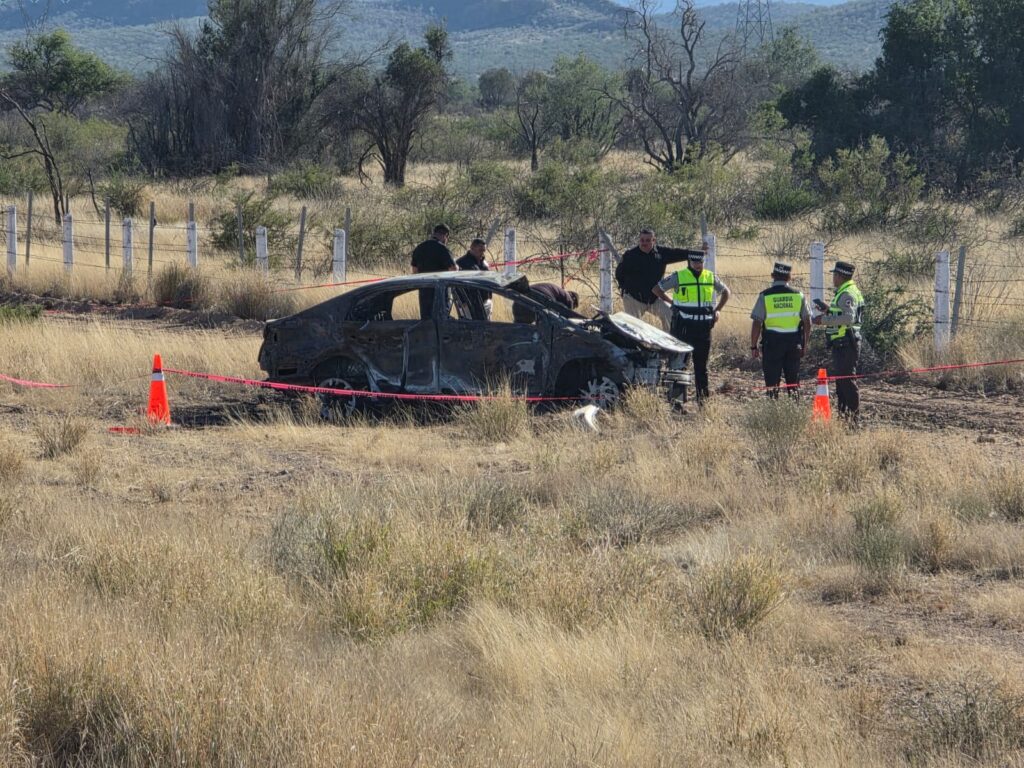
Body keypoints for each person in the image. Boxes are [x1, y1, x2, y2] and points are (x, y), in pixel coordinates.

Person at [652, 249, 730, 402]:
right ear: (689, 262)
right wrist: (672, 303)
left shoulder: (709, 276)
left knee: (701, 367)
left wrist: (718, 310)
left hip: (703, 327)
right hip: (683, 326)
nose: (697, 265)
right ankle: (677, 402)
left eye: (700, 262)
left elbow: (726, 292)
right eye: (694, 262)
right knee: (679, 364)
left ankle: (703, 401)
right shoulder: (679, 276)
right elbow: (657, 289)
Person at [614, 228, 707, 331]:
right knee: (632, 329)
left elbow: (679, 253)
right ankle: (630, 347)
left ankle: (668, 345)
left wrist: (699, 253)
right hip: (634, 299)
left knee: (670, 316)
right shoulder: (630, 255)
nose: (644, 243)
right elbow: (619, 274)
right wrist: (624, 291)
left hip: (655, 298)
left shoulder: (662, 253)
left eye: (648, 240)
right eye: (642, 240)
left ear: (654, 240)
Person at [813, 260, 865, 420]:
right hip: (842, 343)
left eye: (834, 275)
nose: (833, 278)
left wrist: (824, 320)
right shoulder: (846, 291)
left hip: (846, 343)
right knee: (842, 383)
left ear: (840, 276)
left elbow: (848, 318)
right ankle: (844, 418)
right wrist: (829, 310)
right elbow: (843, 313)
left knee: (847, 381)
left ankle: (853, 420)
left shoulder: (847, 293)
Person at [749, 262, 811, 397]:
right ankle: (794, 411)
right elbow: (807, 321)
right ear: (789, 278)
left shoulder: (765, 296)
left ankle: (773, 411)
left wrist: (753, 346)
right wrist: (805, 345)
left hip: (772, 344)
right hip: (794, 343)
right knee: (793, 383)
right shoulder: (798, 295)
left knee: (772, 384)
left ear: (772, 276)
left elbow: (757, 323)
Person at [410, 223, 457, 319]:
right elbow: (453, 269)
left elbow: (414, 271)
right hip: (441, 291)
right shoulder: (442, 248)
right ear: (445, 236)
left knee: (426, 320)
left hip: (424, 290)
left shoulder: (419, 248)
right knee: (442, 319)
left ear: (434, 233)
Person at [455, 238, 492, 319]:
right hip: (469, 304)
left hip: (485, 302)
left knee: (487, 329)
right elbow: (456, 284)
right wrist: (463, 302)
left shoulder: (484, 263)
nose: (482, 253)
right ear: (472, 248)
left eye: (484, 250)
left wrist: (489, 297)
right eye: (480, 250)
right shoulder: (461, 263)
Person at [512, 282, 579, 324]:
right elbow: (567, 321)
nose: (572, 307)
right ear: (574, 299)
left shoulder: (558, 291)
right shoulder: (569, 299)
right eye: (574, 307)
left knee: (520, 327)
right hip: (541, 298)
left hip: (520, 298)